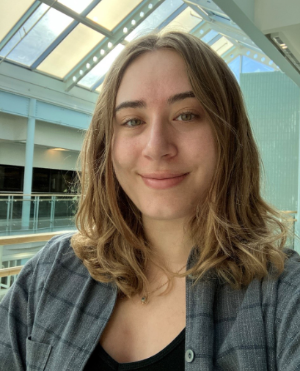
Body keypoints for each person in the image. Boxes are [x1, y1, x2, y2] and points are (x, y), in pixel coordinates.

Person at [1, 31, 300, 371]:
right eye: (133, 121)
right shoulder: (49, 273)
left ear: (229, 136)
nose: (156, 146)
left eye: (186, 115)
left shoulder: (284, 299)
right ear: (106, 145)